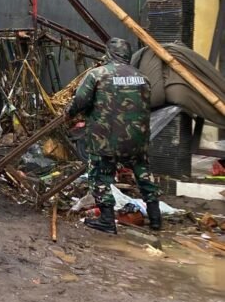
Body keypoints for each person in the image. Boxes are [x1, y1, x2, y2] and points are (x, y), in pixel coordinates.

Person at [66, 37, 160, 234]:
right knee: (143, 174)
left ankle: (107, 220)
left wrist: (69, 113)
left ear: (108, 53)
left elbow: (81, 100)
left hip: (105, 139)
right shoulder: (143, 78)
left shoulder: (98, 75)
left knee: (100, 176)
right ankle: (156, 218)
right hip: (137, 140)